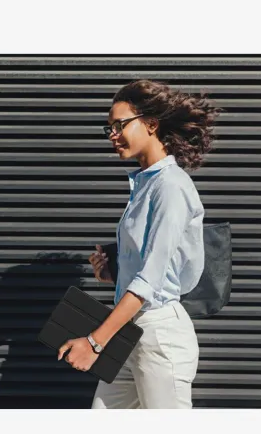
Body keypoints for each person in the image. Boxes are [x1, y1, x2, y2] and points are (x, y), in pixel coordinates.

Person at [57, 79, 221, 409]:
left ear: (151, 124)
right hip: (129, 331)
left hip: (160, 336)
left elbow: (152, 280)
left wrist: (94, 342)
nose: (112, 135)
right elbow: (153, 270)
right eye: (109, 128)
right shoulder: (146, 185)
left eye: (120, 125)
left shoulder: (170, 186)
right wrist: (115, 275)